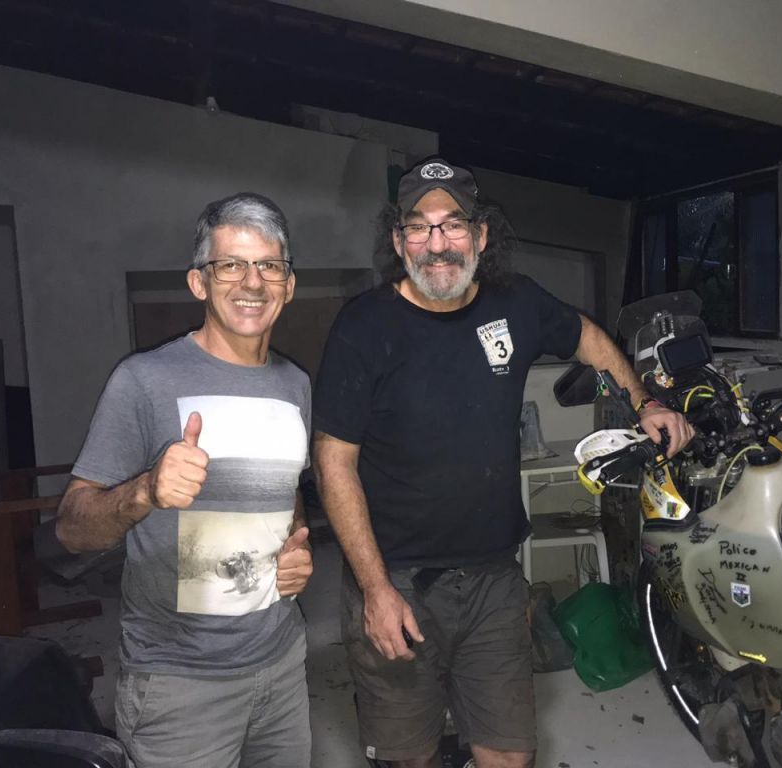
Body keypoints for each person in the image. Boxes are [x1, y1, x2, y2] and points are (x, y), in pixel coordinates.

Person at [312, 158, 694, 768]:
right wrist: (375, 589)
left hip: (492, 577)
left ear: (481, 236)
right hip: (397, 580)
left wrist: (643, 401)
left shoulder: (516, 304)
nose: (437, 243)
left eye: (453, 225)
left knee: (509, 755)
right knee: (407, 757)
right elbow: (334, 464)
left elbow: (589, 337)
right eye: (419, 226)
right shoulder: (364, 326)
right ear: (397, 241)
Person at [57, 193, 314, 768]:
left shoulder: (295, 385)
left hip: (282, 665)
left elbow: (286, 490)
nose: (253, 281)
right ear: (200, 283)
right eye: (231, 264)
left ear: (289, 284)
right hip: (180, 684)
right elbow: (72, 529)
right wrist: (146, 490)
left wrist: (297, 545)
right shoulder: (143, 381)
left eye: (270, 265)